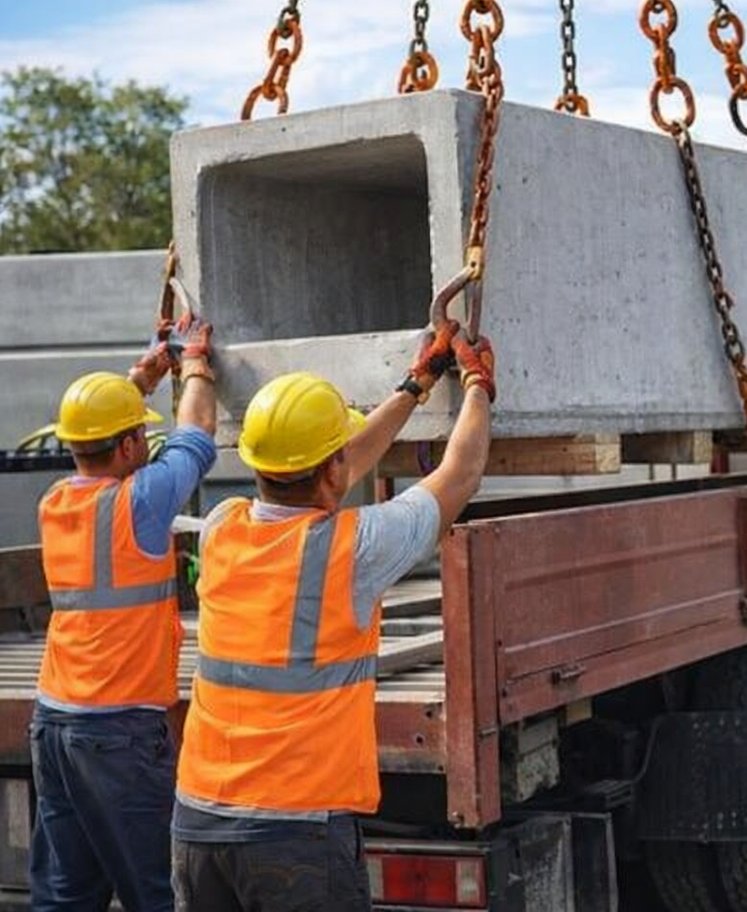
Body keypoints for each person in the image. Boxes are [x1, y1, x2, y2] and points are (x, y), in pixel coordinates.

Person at [169, 323, 493, 912]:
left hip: (198, 824)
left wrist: (415, 385)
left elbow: (331, 469)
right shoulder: (352, 551)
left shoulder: (221, 527)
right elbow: (460, 475)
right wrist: (476, 384)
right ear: (332, 471)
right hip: (293, 835)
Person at [31, 318, 217, 912]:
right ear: (132, 445)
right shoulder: (140, 500)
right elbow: (197, 433)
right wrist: (196, 366)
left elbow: (102, 427)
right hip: (116, 735)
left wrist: (141, 377)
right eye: (139, 435)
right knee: (159, 891)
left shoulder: (57, 502)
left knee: (68, 894)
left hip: (54, 723)